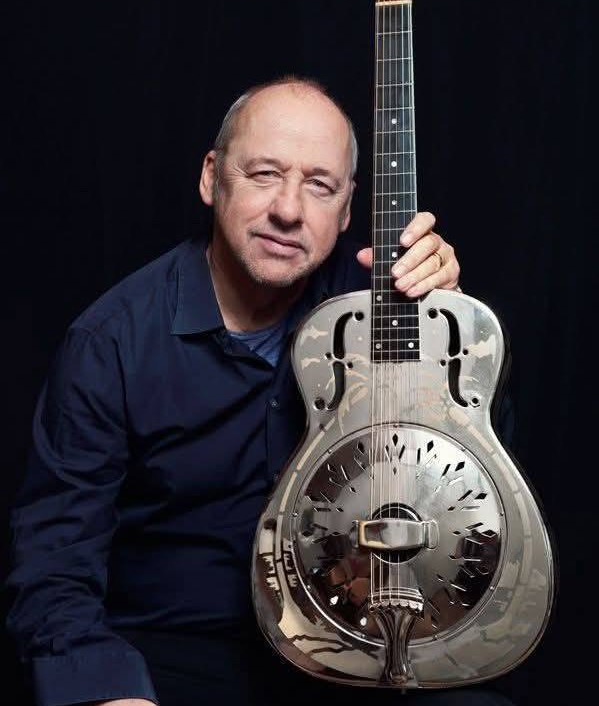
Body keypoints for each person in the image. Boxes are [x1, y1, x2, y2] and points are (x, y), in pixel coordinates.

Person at [5, 76, 515, 706]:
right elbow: (54, 565)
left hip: (354, 646)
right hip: (176, 656)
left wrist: (448, 334)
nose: (289, 210)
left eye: (320, 185)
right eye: (265, 174)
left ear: (347, 210)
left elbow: (472, 499)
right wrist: (110, 690)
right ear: (211, 178)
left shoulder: (380, 318)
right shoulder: (110, 342)